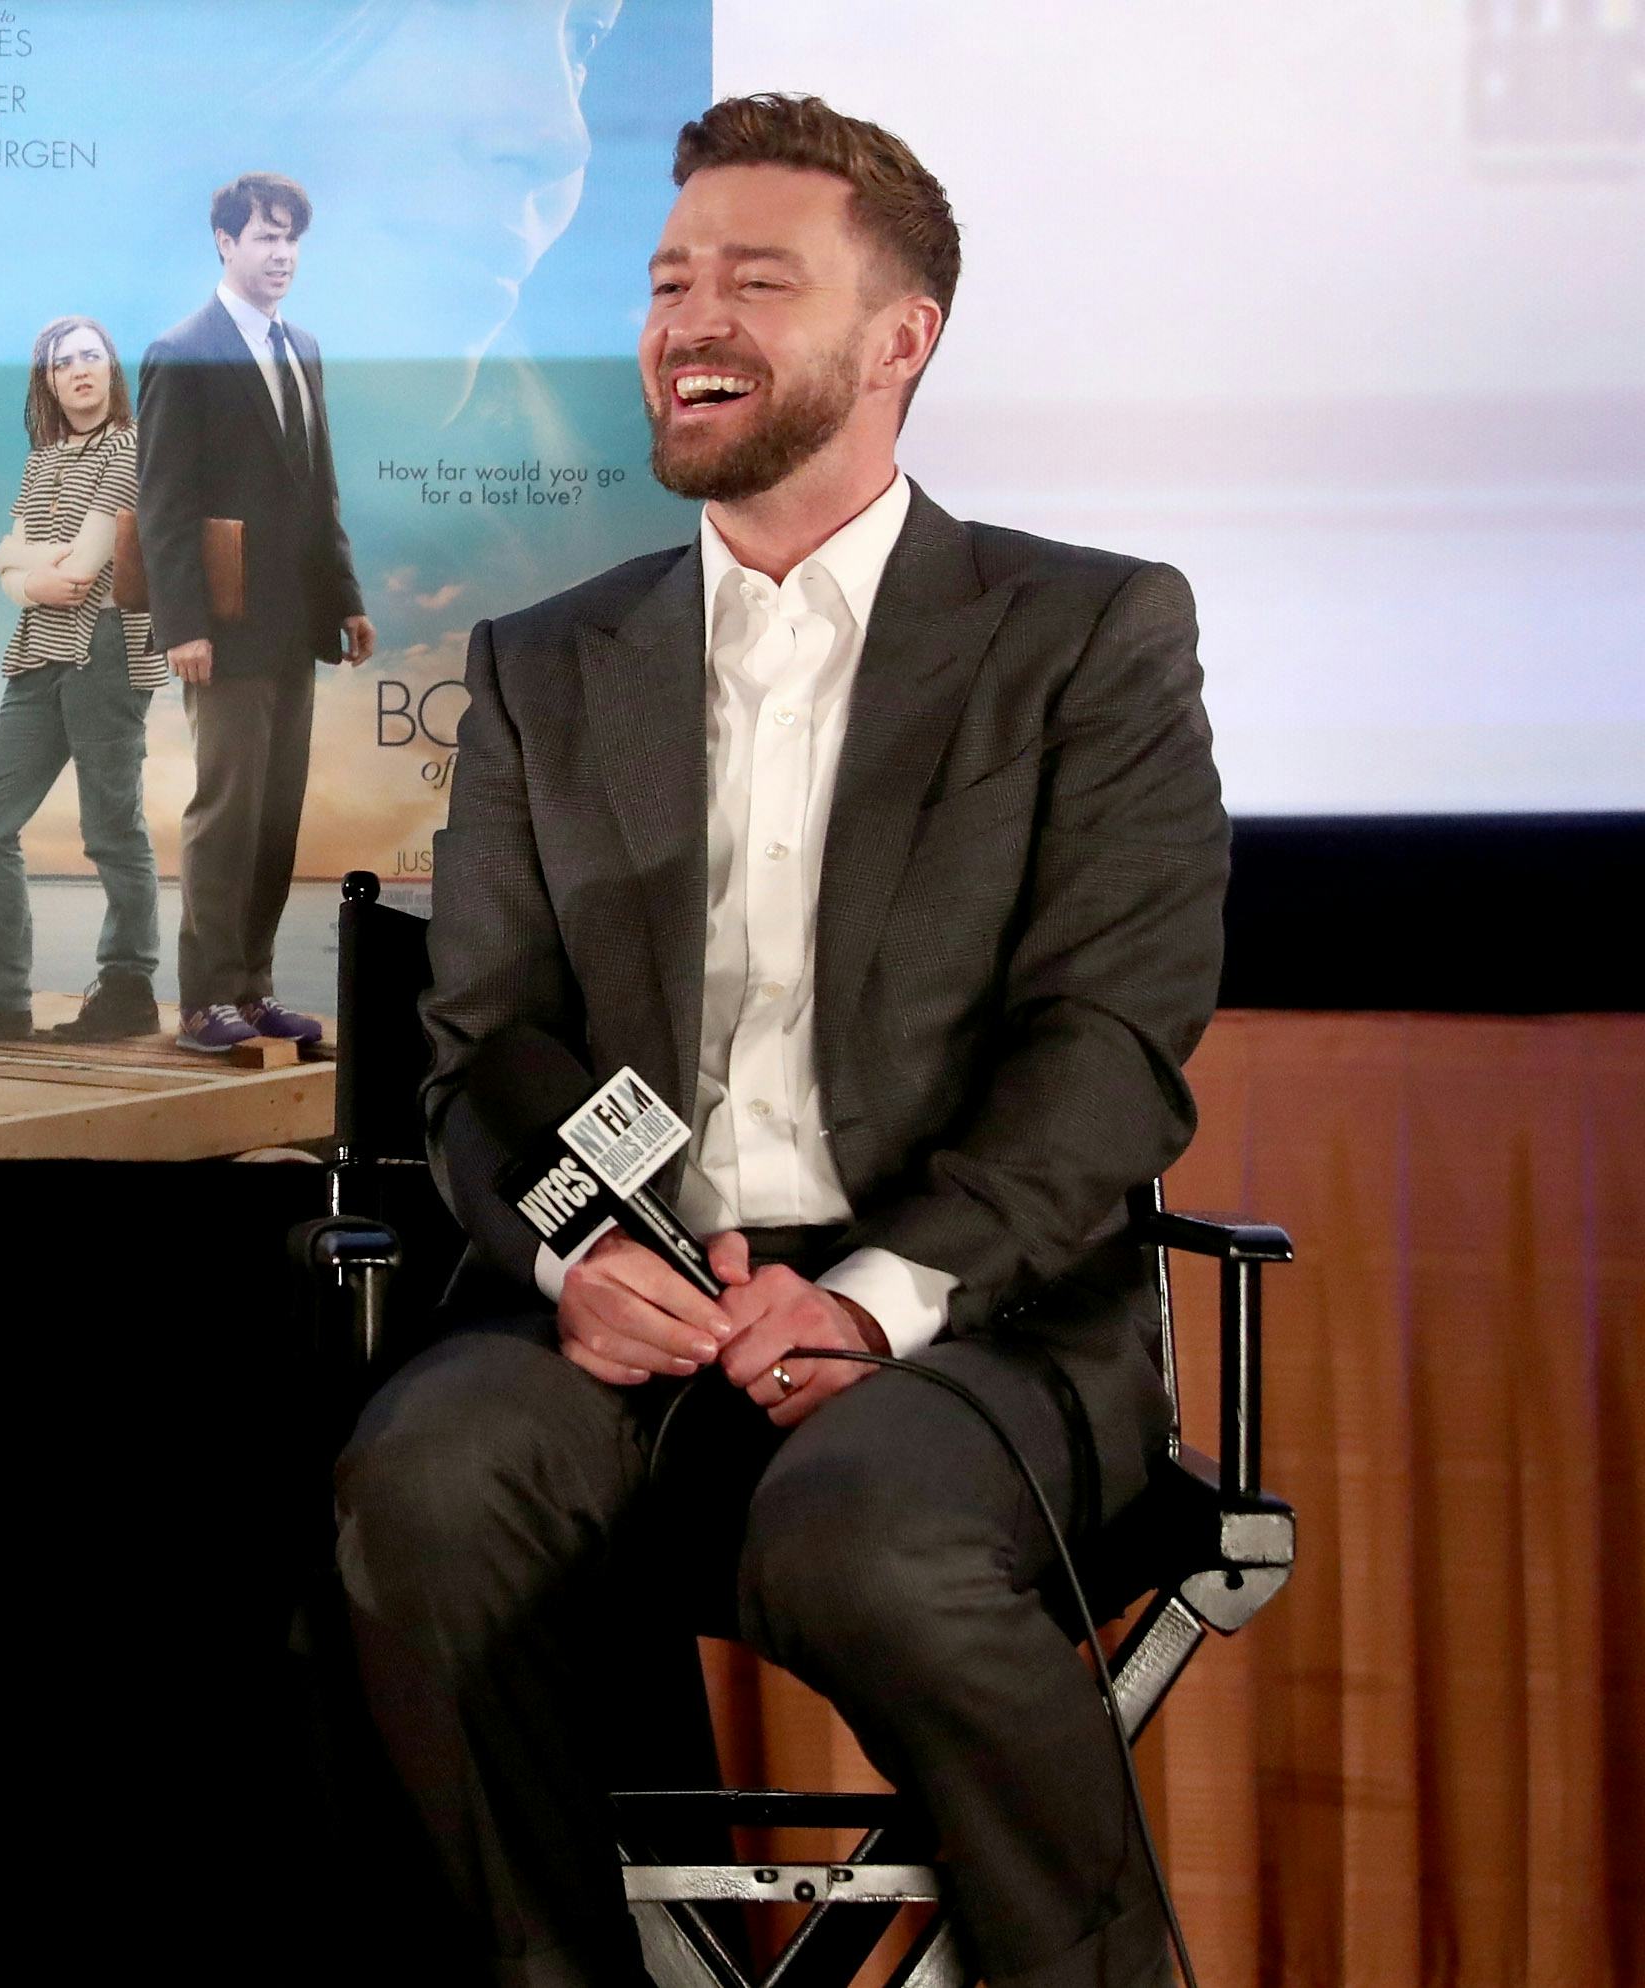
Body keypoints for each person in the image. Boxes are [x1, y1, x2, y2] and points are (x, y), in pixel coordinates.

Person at [335, 96, 1229, 1988]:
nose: (690, 319)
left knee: (854, 1537)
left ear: (902, 338)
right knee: (419, 1476)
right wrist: (584, 1254)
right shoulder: (544, 661)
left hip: (967, 1321)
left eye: (756, 277)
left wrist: (882, 1294)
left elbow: (1112, 1043)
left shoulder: (1085, 633)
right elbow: (488, 1043)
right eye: (669, 281)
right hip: (632, 1309)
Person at [135, 171, 377, 1054]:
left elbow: (319, 488)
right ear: (225, 243)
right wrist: (184, 626)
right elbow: (162, 502)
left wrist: (347, 600)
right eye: (265, 236)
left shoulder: (302, 345)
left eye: (291, 239)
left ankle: (256, 987)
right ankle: (205, 1002)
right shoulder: (181, 349)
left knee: (278, 816)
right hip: (223, 632)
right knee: (225, 814)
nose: (281, 254)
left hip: (296, 626)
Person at [0, 315, 170, 1044]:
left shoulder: (132, 447)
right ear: (49, 378)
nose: (80, 370)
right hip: (36, 652)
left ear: (111, 369)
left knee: (110, 828)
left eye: (92, 357)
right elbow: (5, 557)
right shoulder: (41, 460)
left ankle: (129, 986)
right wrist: (26, 576)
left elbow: (88, 560)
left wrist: (23, 571)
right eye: (65, 361)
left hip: (107, 648)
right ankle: (4, 999)